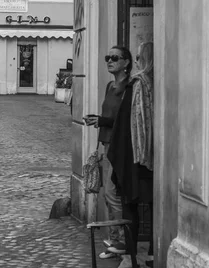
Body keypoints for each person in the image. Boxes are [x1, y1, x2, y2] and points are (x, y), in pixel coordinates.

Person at [83, 45, 132, 259]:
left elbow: (124, 120)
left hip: (119, 145)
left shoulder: (128, 87)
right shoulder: (109, 86)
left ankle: (122, 241)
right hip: (106, 143)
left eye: (115, 57)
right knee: (107, 194)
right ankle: (114, 240)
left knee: (113, 193)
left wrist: (101, 121)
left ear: (126, 63)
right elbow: (107, 117)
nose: (109, 61)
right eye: (107, 57)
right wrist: (99, 144)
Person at [107, 42, 154, 264]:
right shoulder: (140, 83)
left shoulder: (137, 84)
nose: (109, 61)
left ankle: (130, 250)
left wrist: (140, 151)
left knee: (129, 202)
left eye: (138, 56)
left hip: (135, 152)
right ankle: (136, 250)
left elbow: (137, 120)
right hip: (139, 150)